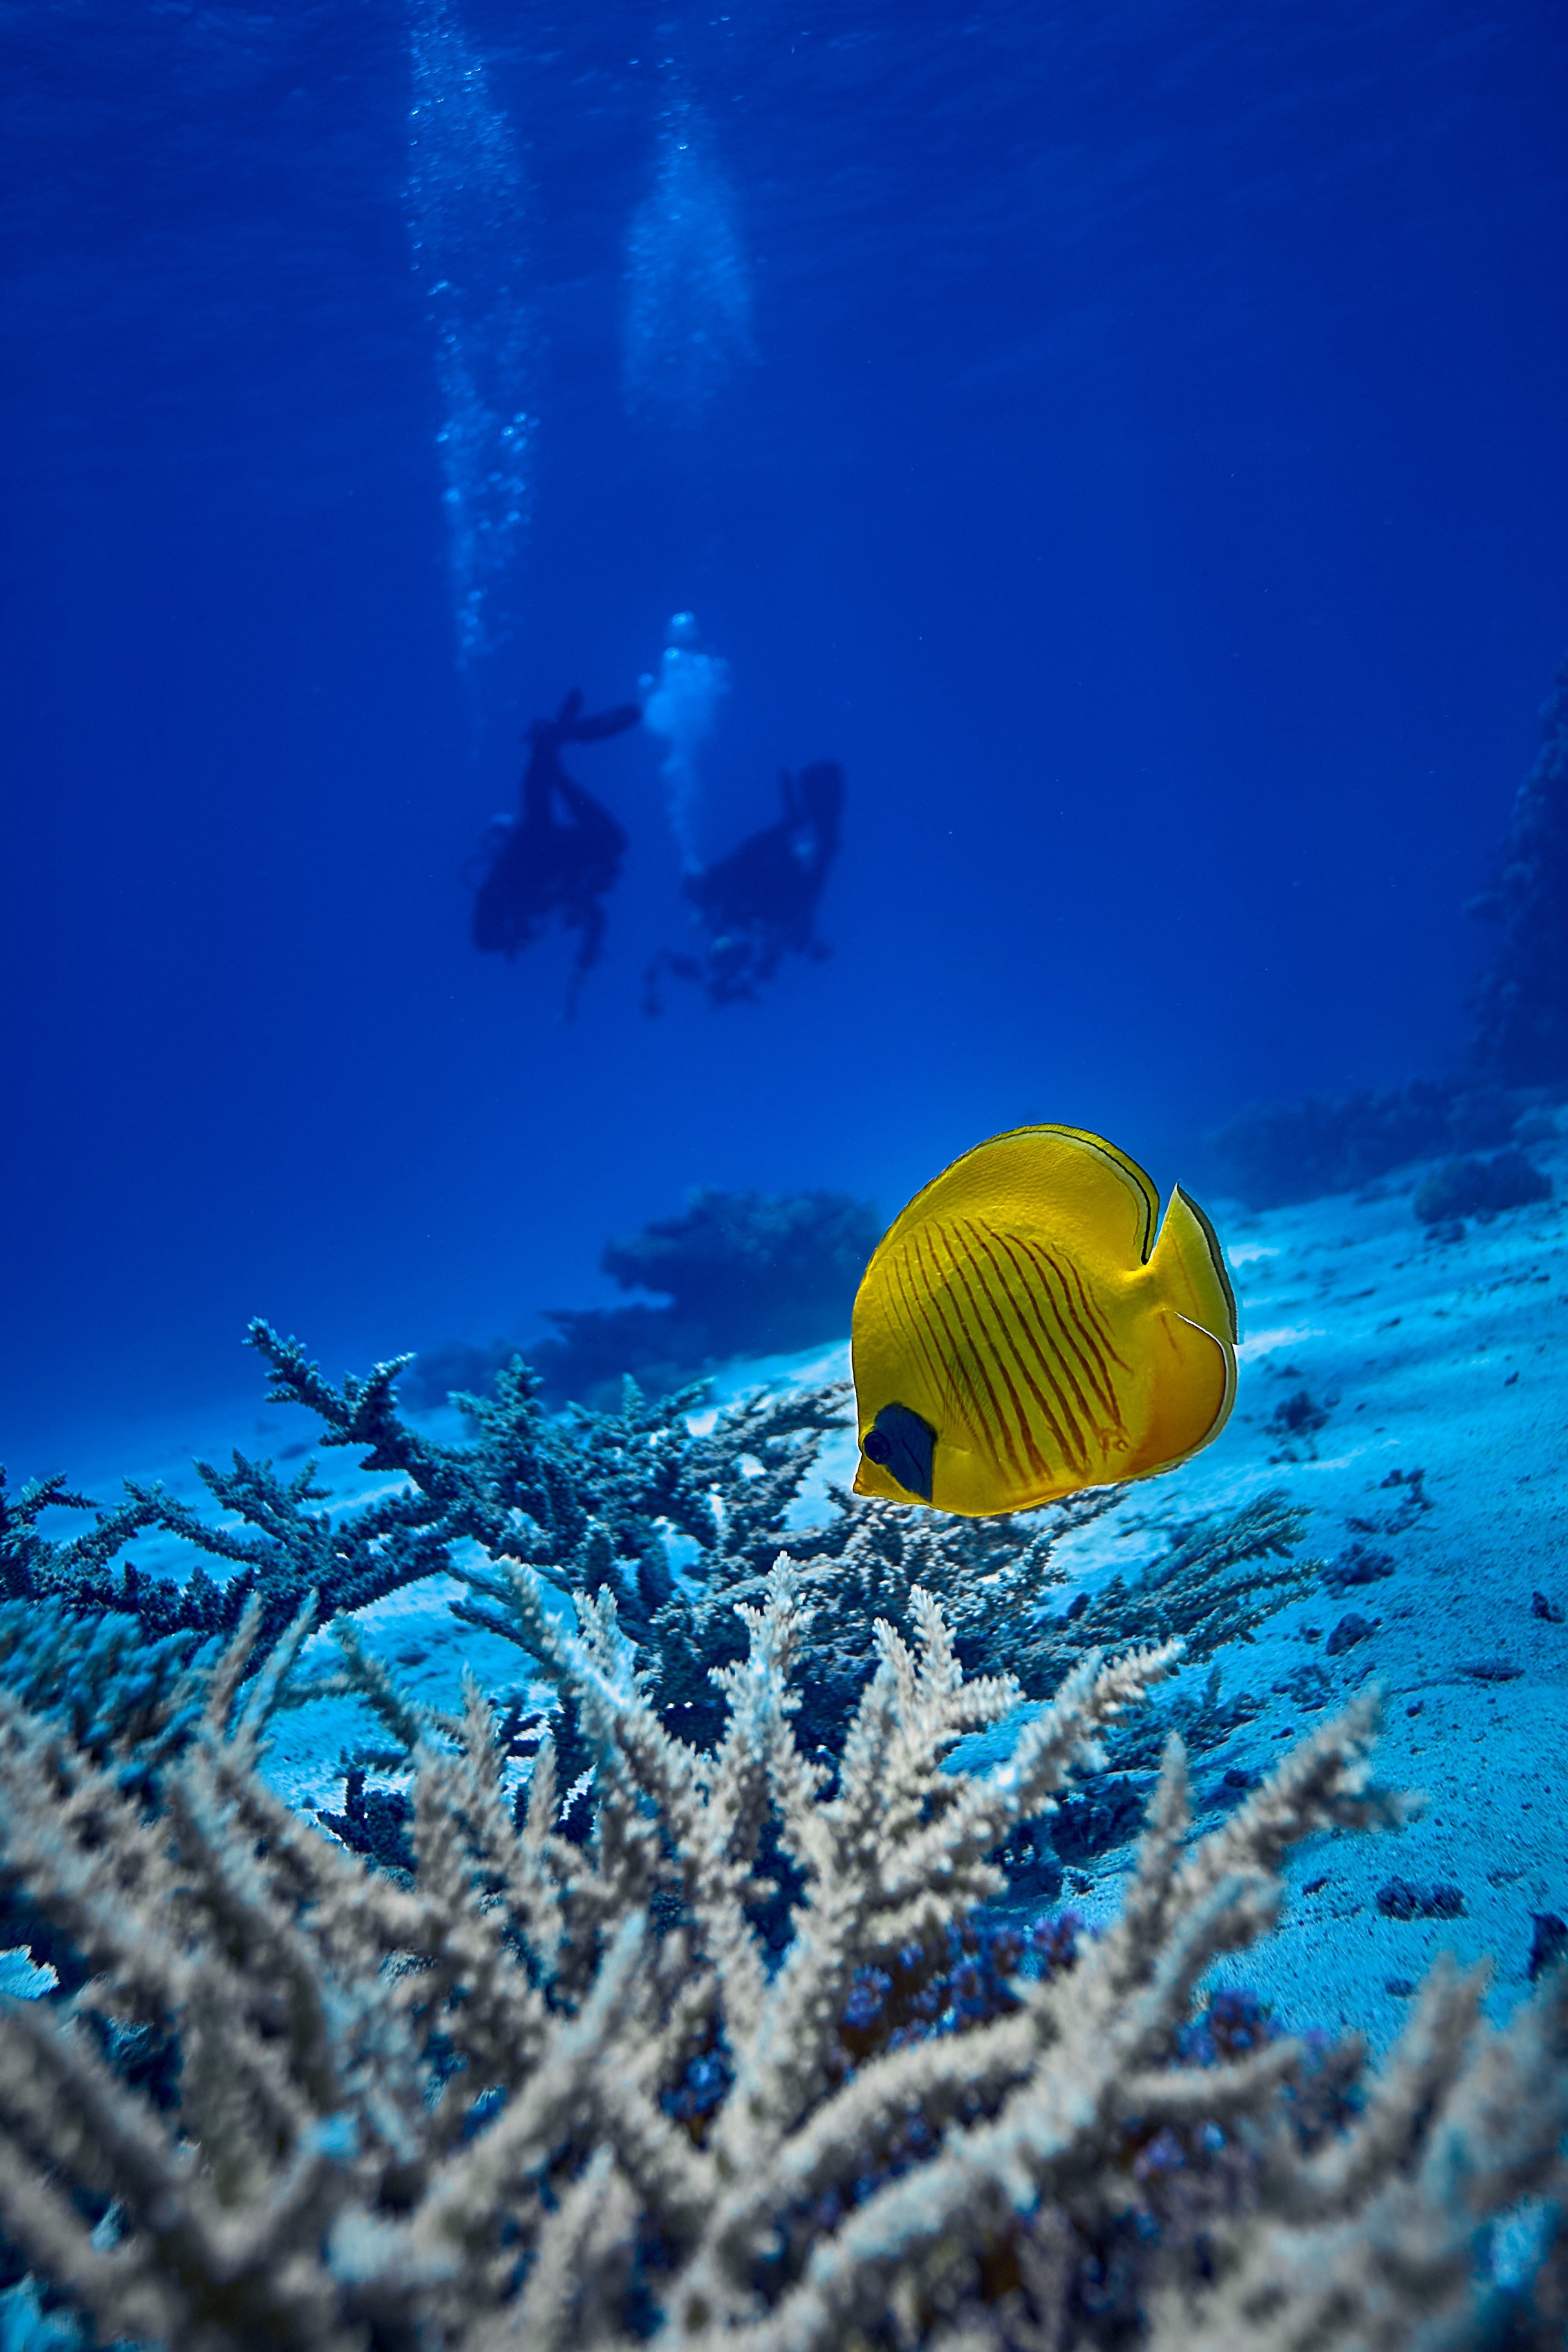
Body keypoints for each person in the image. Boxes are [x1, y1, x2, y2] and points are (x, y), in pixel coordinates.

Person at [471, 691, 639, 1013]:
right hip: (552, 853)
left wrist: (514, 939)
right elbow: (596, 917)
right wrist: (582, 968)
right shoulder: (550, 902)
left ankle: (549, 746)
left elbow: (481, 937)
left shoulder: (508, 900)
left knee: (538, 808)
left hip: (532, 851)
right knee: (611, 843)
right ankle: (551, 747)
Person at [644, 759, 844, 1010]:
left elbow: (734, 942)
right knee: (825, 850)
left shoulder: (726, 900)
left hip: (783, 892)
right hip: (783, 890)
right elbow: (745, 941)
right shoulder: (730, 901)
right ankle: (809, 804)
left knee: (825, 851)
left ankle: (807, 807)